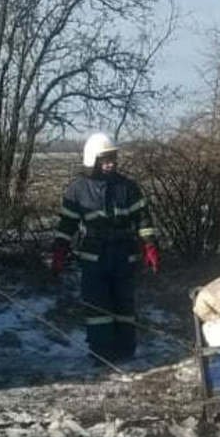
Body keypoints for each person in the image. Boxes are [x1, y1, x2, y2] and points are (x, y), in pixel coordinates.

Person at [52, 132, 159, 362]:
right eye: (105, 159)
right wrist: (60, 250)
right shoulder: (77, 190)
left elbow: (143, 220)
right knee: (98, 308)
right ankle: (101, 353)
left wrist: (149, 247)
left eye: (113, 158)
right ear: (93, 159)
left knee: (124, 304)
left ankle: (126, 350)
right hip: (93, 258)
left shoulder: (128, 187)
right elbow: (67, 224)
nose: (110, 164)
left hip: (123, 256)